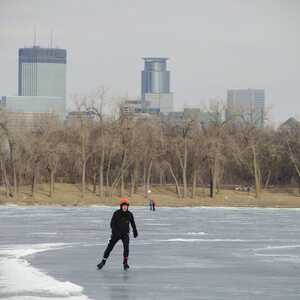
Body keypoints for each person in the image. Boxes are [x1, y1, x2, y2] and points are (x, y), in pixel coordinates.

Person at [97, 198, 138, 270]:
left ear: (128, 206)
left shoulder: (130, 214)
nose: (125, 207)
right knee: (109, 248)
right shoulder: (116, 213)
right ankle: (103, 262)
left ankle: (125, 263)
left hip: (125, 234)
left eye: (126, 206)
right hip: (116, 234)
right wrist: (115, 232)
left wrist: (135, 231)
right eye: (123, 206)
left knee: (126, 248)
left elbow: (133, 223)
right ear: (121, 206)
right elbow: (112, 224)